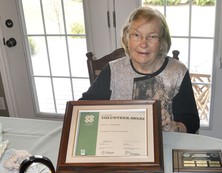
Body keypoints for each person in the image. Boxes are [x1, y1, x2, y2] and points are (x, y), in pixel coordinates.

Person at [80, 6, 200, 134]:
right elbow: (83, 107)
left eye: (152, 36)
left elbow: (191, 122)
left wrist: (172, 126)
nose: (143, 44)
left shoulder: (178, 72)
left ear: (162, 42)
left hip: (165, 144)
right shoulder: (112, 70)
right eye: (137, 35)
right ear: (127, 38)